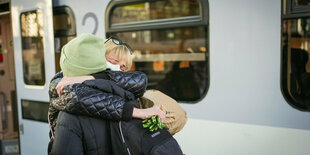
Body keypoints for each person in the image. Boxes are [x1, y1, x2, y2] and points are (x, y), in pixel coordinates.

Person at [48, 34, 166, 154]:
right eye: (113, 61)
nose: (117, 70)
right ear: (98, 59)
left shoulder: (69, 115)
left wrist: (92, 77)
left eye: (124, 68)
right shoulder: (128, 100)